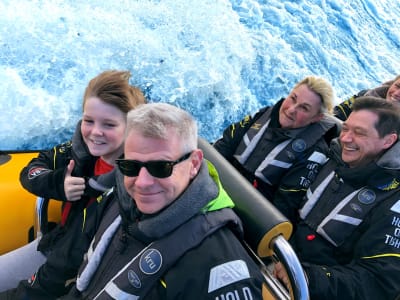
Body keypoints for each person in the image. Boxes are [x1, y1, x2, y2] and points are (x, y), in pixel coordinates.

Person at [60, 102, 263, 299]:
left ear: (193, 164)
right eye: (131, 166)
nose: (142, 183)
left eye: (161, 167)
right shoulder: (122, 198)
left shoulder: (218, 267)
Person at [0, 70, 146, 292]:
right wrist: (59, 184)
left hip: (84, 269)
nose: (95, 132)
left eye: (109, 125)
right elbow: (31, 170)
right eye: (89, 121)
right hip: (56, 244)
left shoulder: (131, 183)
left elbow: (74, 254)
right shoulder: (77, 151)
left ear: (130, 127)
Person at [274, 96, 400, 299]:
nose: (346, 138)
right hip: (275, 261)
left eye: (359, 133)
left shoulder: (393, 200)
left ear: (388, 141)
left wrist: (308, 278)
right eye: (347, 128)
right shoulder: (331, 156)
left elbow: (378, 280)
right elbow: (287, 200)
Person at [214, 76, 339, 223]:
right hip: (217, 184)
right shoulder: (265, 114)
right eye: (293, 98)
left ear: (317, 118)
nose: (292, 109)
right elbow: (224, 145)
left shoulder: (314, 154)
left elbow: (284, 206)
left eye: (304, 108)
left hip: (244, 215)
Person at [334, 74, 400, 121]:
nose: (396, 93)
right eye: (397, 86)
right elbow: (337, 115)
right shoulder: (364, 96)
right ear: (392, 84)